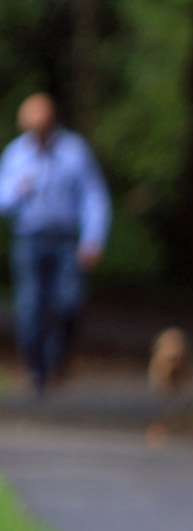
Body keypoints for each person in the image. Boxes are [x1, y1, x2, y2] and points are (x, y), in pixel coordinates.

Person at [0, 93, 110, 395]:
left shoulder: (75, 151)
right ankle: (36, 368)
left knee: (68, 301)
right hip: (28, 239)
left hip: (65, 240)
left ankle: (58, 360)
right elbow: (2, 200)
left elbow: (94, 197)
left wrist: (93, 238)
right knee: (30, 305)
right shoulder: (15, 154)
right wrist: (17, 191)